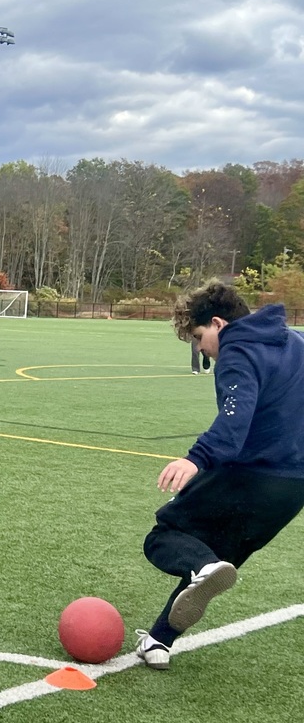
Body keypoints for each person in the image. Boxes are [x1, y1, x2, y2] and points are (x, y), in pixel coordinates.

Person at [135, 280, 304, 670]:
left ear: (217, 323)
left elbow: (235, 417)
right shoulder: (295, 343)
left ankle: (200, 572)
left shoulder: (237, 350)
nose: (200, 348)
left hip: (250, 476)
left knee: (164, 537)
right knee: (211, 565)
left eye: (198, 337)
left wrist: (195, 459)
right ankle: (159, 641)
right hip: (293, 490)